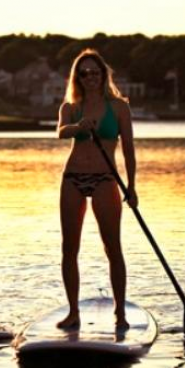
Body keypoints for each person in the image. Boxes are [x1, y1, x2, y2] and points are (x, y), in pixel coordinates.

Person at [56, 49, 137, 330]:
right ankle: (73, 313)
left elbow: (128, 150)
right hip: (73, 178)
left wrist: (132, 187)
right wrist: (78, 126)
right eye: (84, 73)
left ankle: (120, 314)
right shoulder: (70, 107)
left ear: (103, 74)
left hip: (105, 179)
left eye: (95, 72)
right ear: (77, 77)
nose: (90, 77)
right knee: (69, 248)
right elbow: (61, 131)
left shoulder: (119, 107)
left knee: (112, 247)